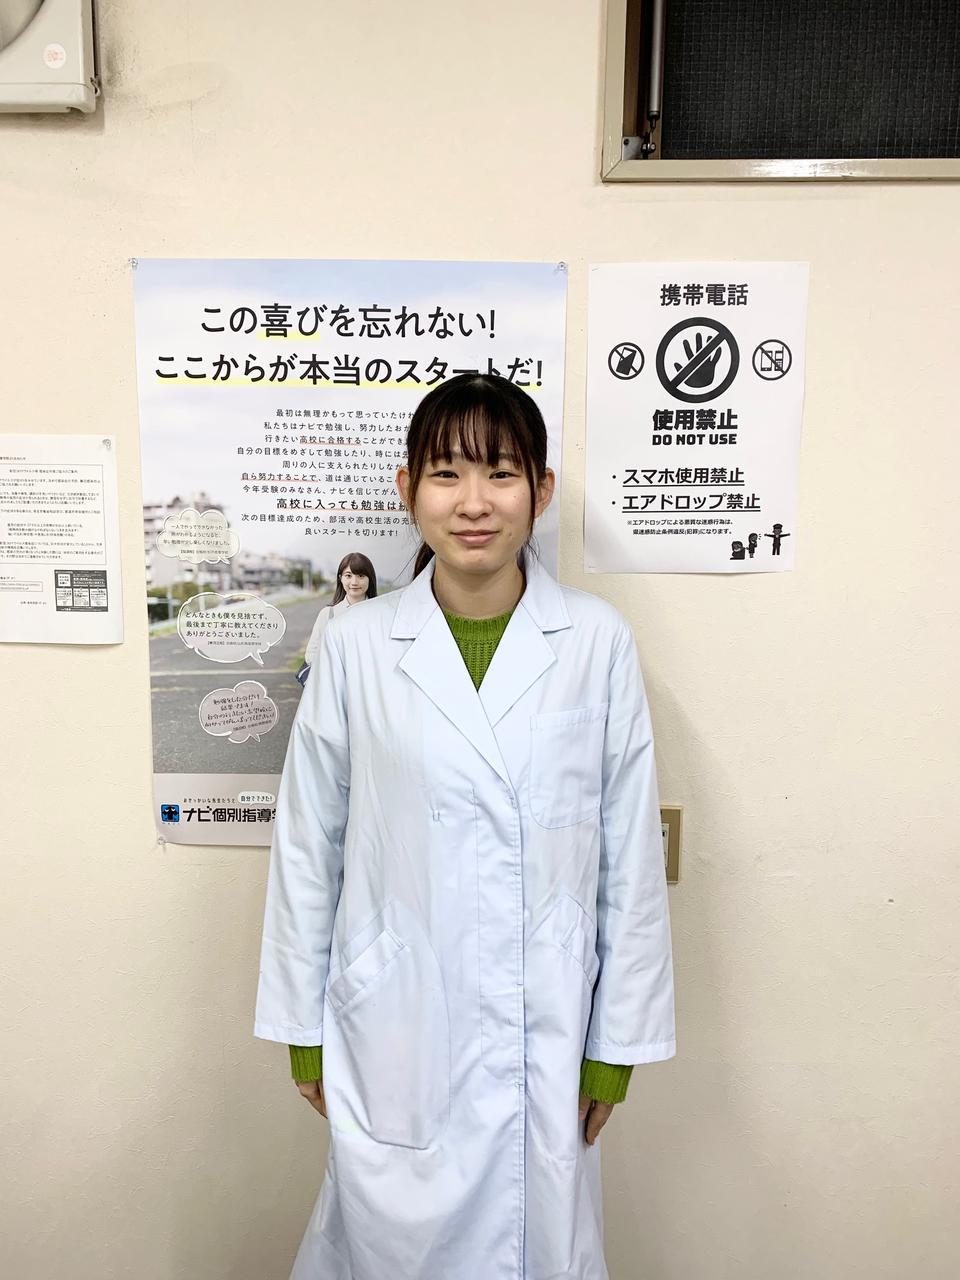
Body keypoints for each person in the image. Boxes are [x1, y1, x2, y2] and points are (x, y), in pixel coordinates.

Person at [255, 373, 676, 1280]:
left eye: (501, 473)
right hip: (395, 1014)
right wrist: (302, 1024)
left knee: (538, 1238)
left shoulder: (596, 639)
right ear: (408, 490)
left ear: (542, 490)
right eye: (447, 474)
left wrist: (615, 1048)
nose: (474, 503)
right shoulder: (356, 644)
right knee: (385, 1245)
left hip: (545, 1020)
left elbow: (629, 857)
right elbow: (309, 845)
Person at [300, 552, 376, 673]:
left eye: (361, 576)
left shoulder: (379, 614)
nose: (354, 582)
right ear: (340, 578)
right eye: (348, 576)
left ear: (370, 579)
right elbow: (311, 655)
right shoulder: (328, 614)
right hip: (335, 681)